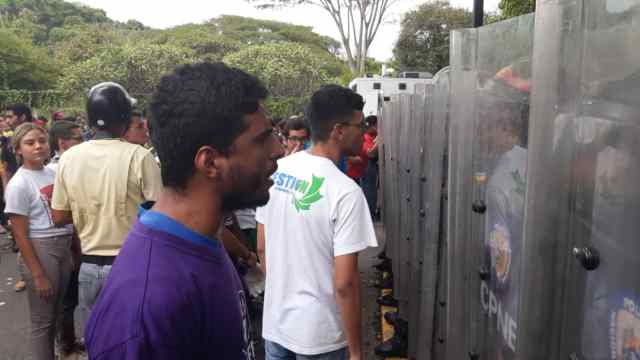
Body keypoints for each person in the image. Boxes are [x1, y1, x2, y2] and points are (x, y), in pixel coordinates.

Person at [84, 62, 283, 359]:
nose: (278, 150)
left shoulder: (203, 239)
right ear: (210, 162)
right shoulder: (144, 310)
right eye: (262, 140)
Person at [256, 84, 378, 360]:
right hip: (319, 336)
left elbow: (262, 248)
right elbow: (345, 283)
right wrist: (357, 352)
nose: (365, 133)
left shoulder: (277, 171)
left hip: (275, 326)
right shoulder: (346, 192)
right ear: (339, 130)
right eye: (360, 126)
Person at [51, 82, 162, 326]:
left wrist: (92, 210)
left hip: (89, 267)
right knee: (133, 339)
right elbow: (159, 214)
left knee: (98, 340)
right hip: (132, 264)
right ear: (123, 117)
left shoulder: (69, 157)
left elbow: (58, 216)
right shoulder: (139, 155)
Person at [4, 123, 78, 360]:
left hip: (63, 247)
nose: (38, 146)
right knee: (42, 321)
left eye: (41, 141)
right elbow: (20, 235)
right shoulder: (18, 184)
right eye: (30, 143)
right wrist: (38, 275)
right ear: (18, 150)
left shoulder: (54, 172)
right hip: (41, 249)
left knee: (56, 313)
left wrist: (74, 250)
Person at [47, 119, 85, 356]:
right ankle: (66, 344)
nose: (83, 142)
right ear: (63, 142)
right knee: (67, 298)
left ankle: (71, 341)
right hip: (64, 238)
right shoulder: (54, 169)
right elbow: (59, 213)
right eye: (78, 138)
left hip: (78, 237)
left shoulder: (77, 162)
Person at [361, 115, 380, 218]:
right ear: (371, 126)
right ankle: (370, 213)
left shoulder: (373, 136)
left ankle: (372, 211)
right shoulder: (365, 137)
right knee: (369, 191)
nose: (378, 128)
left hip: (371, 166)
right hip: (367, 165)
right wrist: (379, 140)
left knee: (372, 190)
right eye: (377, 125)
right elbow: (370, 153)